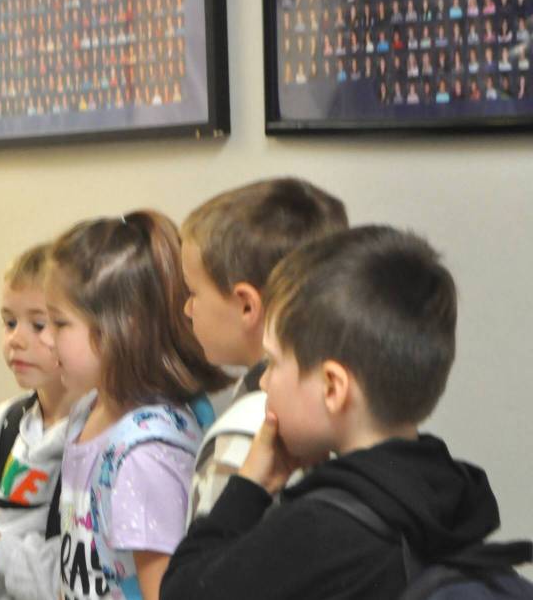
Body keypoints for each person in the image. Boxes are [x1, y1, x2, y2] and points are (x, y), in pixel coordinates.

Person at [161, 226, 531, 599]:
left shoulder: (314, 531)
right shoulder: (448, 494)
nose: (264, 383)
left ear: (333, 388)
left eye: (272, 363)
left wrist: (249, 487)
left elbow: (182, 593)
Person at [41, 211, 230, 600]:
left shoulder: (145, 456)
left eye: (59, 325)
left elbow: (162, 591)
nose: (47, 341)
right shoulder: (88, 411)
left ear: (119, 328)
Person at [179, 178, 347, 521]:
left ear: (246, 306)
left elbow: (205, 568)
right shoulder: (333, 406)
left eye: (193, 292)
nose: (187, 309)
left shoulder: (243, 440)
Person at [0, 244, 80, 600]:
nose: (16, 339)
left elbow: (81, 573)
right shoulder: (6, 425)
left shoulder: (93, 435)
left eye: (39, 324)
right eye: (9, 322)